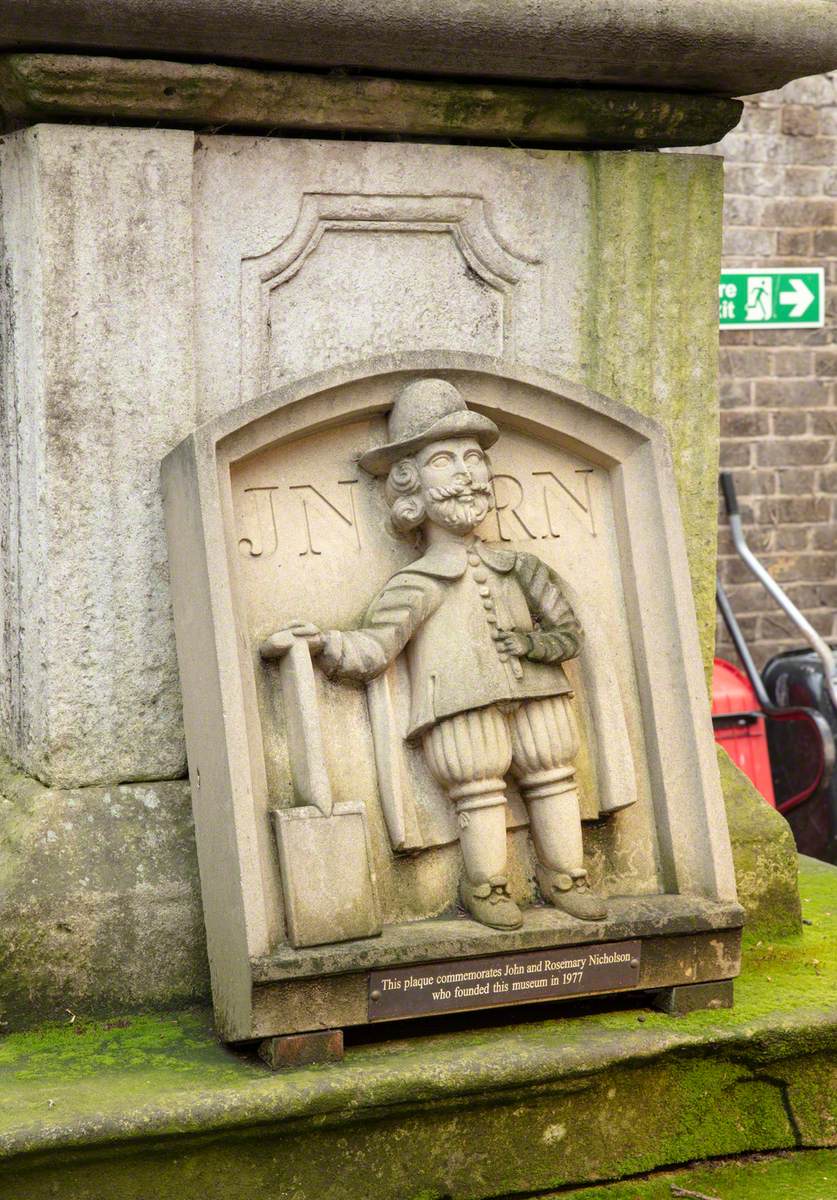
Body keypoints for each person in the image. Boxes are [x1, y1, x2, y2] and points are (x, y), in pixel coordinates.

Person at [261, 378, 606, 930]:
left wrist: (535, 646)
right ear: (411, 488)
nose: (467, 472)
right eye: (444, 460)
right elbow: (376, 647)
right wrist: (323, 643)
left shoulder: (520, 568)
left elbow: (568, 631)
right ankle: (486, 885)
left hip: (540, 692)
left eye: (473, 458)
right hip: (458, 704)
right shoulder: (415, 583)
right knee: (477, 785)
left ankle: (566, 876)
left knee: (553, 774)